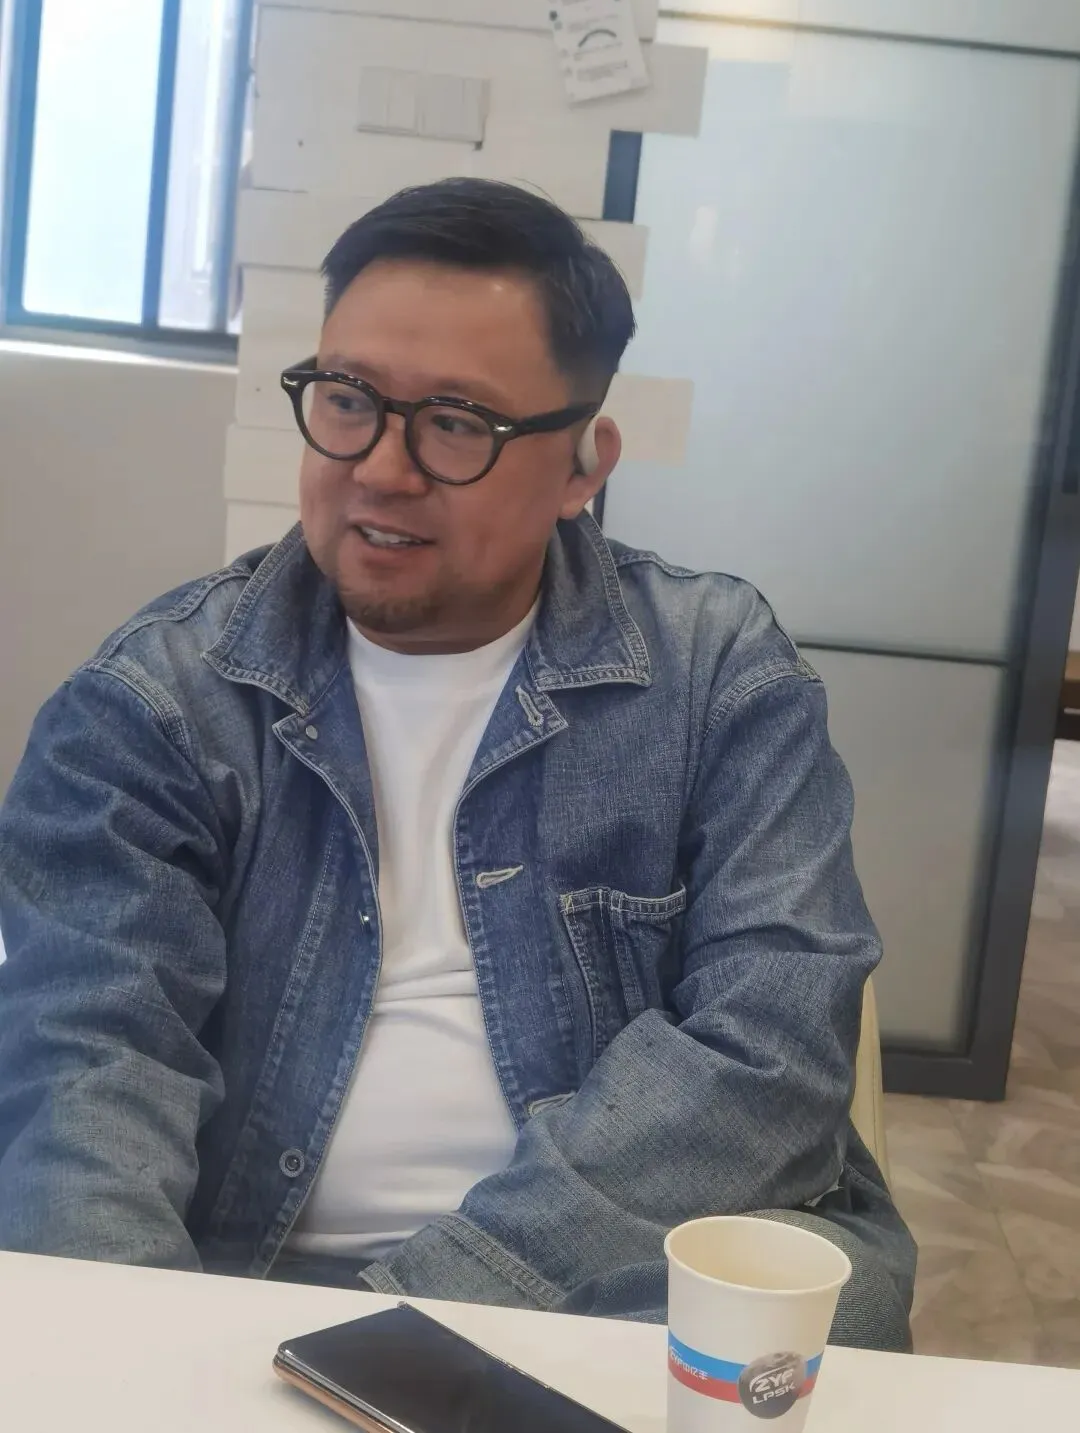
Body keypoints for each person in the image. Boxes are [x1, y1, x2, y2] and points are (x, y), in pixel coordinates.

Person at [0, 178, 915, 1345]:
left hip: (617, 1275)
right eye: (348, 400)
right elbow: (89, 1068)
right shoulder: (157, 702)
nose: (382, 468)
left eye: (457, 424)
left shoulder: (715, 675)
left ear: (584, 466)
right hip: (243, 1278)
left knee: (803, 1321)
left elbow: (772, 1049)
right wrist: (137, 1351)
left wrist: (413, 1317)